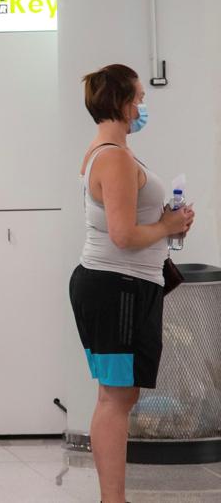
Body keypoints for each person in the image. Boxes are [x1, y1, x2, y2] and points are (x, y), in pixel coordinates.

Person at [71, 64, 192, 503]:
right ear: (122, 103)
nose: (142, 106)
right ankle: (113, 499)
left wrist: (167, 226)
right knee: (116, 398)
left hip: (119, 284)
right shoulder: (114, 156)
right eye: (139, 98)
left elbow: (129, 225)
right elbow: (123, 237)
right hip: (116, 286)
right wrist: (167, 226)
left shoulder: (108, 151)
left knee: (118, 395)